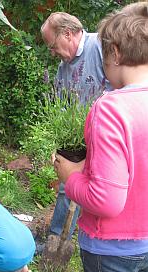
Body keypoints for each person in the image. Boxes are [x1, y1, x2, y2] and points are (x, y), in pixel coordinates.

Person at [55, 3, 148, 272]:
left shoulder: (110, 108)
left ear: (115, 53)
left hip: (112, 250)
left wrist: (71, 178)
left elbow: (107, 201)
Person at [41, 12, 110, 241]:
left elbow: (119, 88)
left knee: (105, 185)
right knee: (68, 185)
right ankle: (57, 237)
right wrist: (58, 141)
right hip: (77, 138)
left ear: (68, 34)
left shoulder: (100, 46)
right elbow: (63, 107)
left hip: (107, 133)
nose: (52, 52)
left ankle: (102, 235)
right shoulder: (63, 68)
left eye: (52, 46)